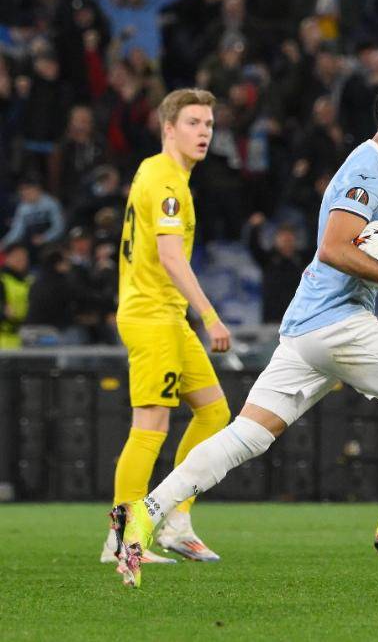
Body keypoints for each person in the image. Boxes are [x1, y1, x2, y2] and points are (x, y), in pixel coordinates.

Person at [112, 77, 378, 588]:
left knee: (247, 435)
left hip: (307, 328)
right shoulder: (366, 169)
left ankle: (144, 512)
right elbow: (333, 246)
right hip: (338, 321)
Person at [100, 88, 233, 567]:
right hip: (152, 316)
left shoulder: (158, 171)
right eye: (193, 123)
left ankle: (175, 519)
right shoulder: (168, 182)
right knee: (150, 426)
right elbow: (171, 256)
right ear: (168, 128)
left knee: (214, 413)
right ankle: (121, 539)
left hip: (168, 316)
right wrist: (210, 316)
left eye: (209, 124)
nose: (204, 132)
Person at [247, 213, 308, 324]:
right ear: (276, 240)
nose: (286, 242)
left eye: (289, 239)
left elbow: (318, 247)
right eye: (283, 238)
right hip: (272, 318)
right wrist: (254, 228)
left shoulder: (301, 260)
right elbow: (253, 247)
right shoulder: (268, 259)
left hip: (297, 318)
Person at [0, 244, 31, 349]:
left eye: (24, 257)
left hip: (24, 337)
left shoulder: (29, 281)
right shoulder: (2, 280)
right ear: (7, 258)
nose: (21, 260)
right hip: (4, 338)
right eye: (17, 256)